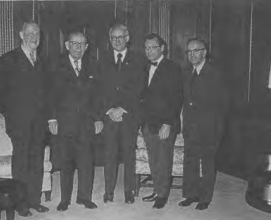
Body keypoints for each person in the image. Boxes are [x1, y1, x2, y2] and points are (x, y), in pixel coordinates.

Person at [0, 21, 49, 217]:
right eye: (30, 33)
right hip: (19, 123)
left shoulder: (42, 60)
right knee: (22, 164)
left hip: (39, 124)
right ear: (21, 35)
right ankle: (20, 203)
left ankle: (34, 200)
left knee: (37, 162)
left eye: (37, 33)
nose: (34, 36)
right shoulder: (8, 59)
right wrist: (12, 115)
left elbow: (48, 93)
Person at [48, 31, 103, 212]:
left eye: (82, 44)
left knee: (87, 162)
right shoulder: (56, 65)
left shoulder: (93, 65)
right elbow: (50, 94)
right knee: (66, 163)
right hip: (65, 123)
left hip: (86, 123)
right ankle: (64, 200)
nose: (78, 47)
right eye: (74, 43)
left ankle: (84, 197)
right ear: (67, 45)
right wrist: (52, 118)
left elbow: (98, 96)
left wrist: (98, 118)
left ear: (87, 47)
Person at [96, 23, 146, 204]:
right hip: (109, 116)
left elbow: (139, 87)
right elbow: (99, 88)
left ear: (127, 38)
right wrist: (110, 110)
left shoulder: (139, 59)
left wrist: (121, 108)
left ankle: (129, 191)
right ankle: (108, 191)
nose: (117, 41)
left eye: (120, 37)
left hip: (129, 114)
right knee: (109, 154)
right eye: (113, 38)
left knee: (128, 154)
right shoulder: (102, 59)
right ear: (110, 40)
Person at [179, 38, 228, 210]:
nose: (192, 54)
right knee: (190, 162)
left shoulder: (215, 74)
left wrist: (216, 129)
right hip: (191, 128)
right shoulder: (186, 73)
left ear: (204, 52)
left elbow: (221, 105)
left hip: (210, 128)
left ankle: (204, 198)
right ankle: (190, 195)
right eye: (189, 51)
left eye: (196, 50)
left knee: (207, 164)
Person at [140, 33, 183, 209]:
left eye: (153, 47)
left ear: (162, 48)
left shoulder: (172, 67)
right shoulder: (143, 67)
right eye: (147, 48)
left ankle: (163, 195)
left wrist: (168, 123)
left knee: (163, 160)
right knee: (153, 159)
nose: (149, 51)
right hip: (147, 123)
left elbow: (176, 98)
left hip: (165, 123)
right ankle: (157, 190)